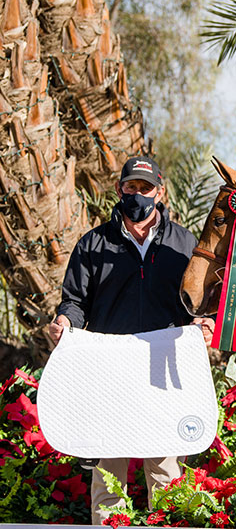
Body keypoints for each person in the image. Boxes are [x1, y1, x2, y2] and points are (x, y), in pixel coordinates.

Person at [47, 156, 215, 524]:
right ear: (120, 189)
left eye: (145, 188)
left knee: (166, 473)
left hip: (165, 373)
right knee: (109, 476)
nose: (137, 194)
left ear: (160, 191)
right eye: (130, 187)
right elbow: (75, 301)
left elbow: (198, 301)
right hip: (110, 373)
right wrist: (65, 321)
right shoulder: (93, 244)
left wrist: (203, 323)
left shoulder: (183, 244)